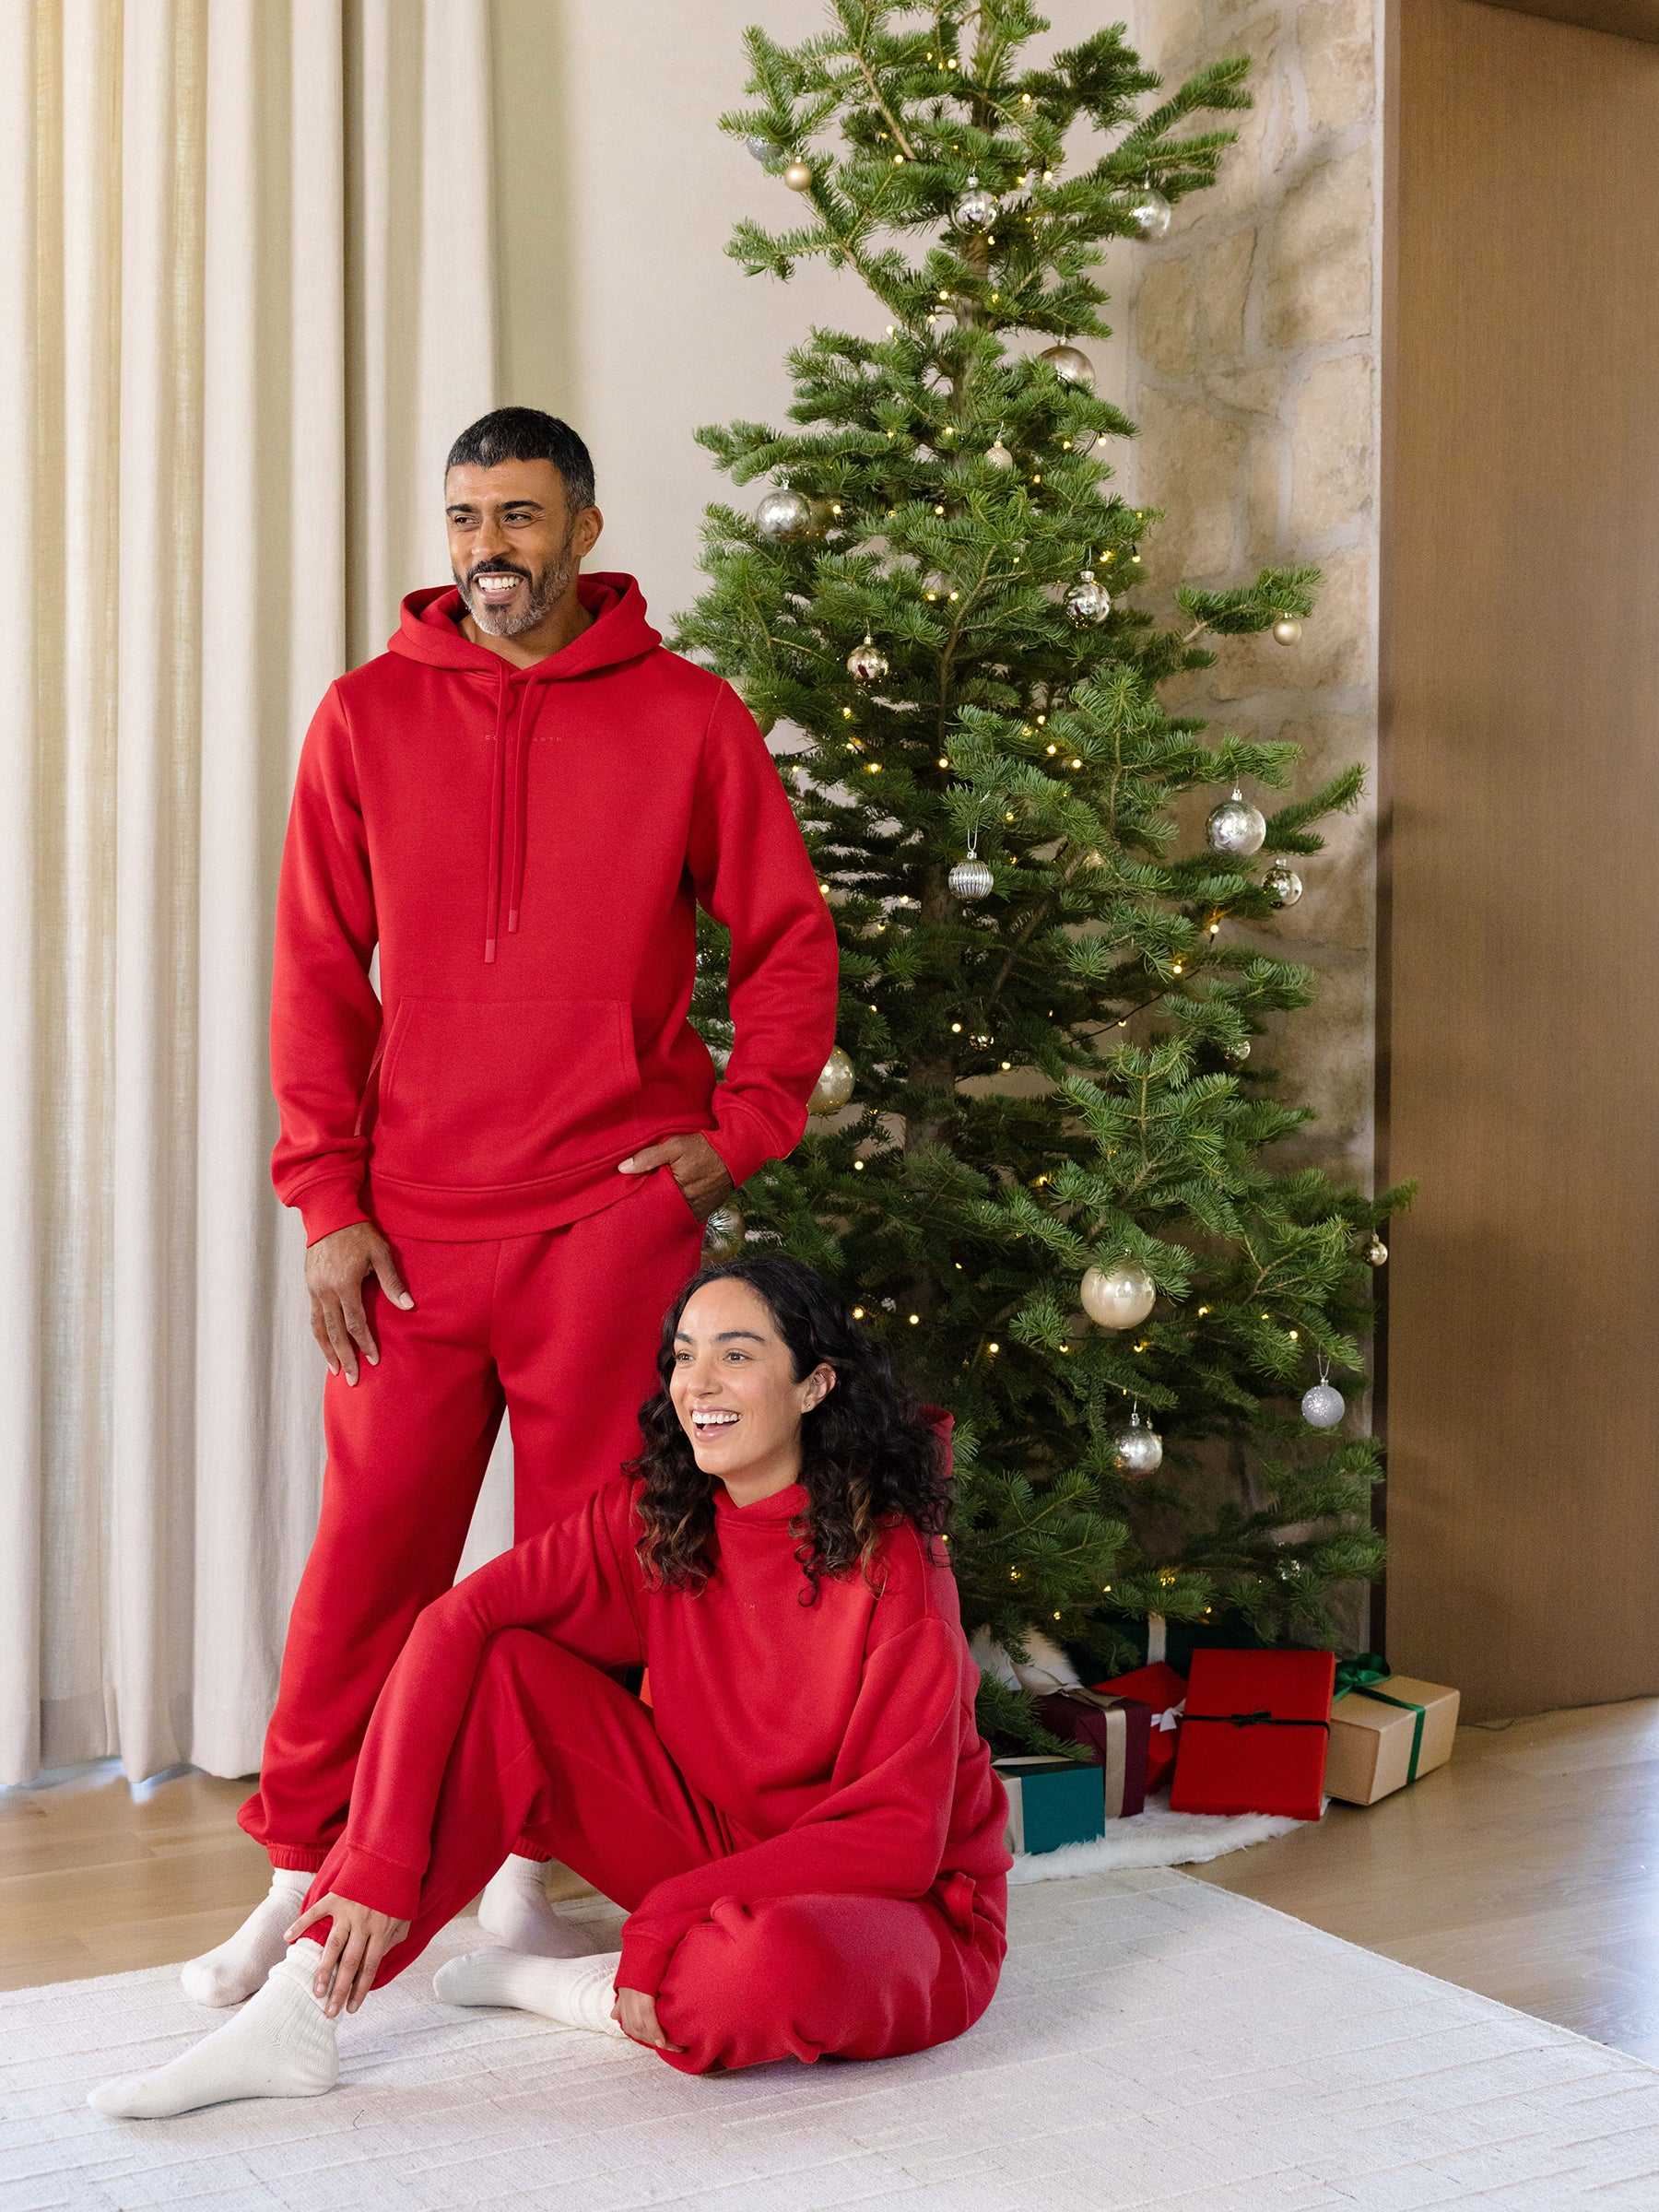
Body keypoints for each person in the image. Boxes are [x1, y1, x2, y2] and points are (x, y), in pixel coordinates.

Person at [183, 406, 841, 2009]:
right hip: (410, 1229)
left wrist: (736, 1131)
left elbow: (790, 939)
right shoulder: (363, 719)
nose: (493, 547)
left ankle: (523, 1890)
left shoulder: (687, 718)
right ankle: (296, 1873)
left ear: (588, 529)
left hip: (610, 1220)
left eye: (524, 516)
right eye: (471, 516)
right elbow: (316, 984)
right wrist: (326, 1203)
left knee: (581, 1565)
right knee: (369, 1562)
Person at [88, 1254, 1012, 2116]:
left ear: (814, 1384)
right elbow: (456, 1624)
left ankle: (567, 1987)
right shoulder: (664, 1513)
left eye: (737, 1356)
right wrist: (376, 1859)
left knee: (755, 1975)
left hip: (901, 1902)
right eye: (685, 1357)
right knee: (509, 1673)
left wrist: (662, 1917)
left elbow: (895, 1840)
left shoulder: (899, 1567)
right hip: (715, 1840)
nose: (698, 1385)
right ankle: (300, 2008)